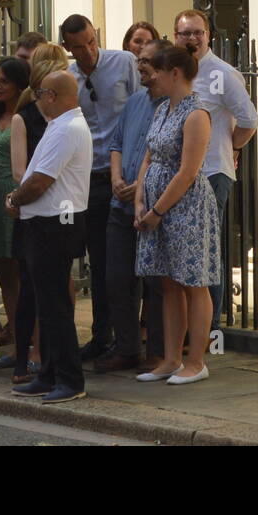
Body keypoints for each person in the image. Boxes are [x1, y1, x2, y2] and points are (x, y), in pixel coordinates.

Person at [6, 69, 92, 404]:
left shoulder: (66, 128)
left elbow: (41, 180)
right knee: (49, 303)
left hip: (55, 225)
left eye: (40, 93)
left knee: (55, 306)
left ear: (52, 96)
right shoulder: (62, 125)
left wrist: (14, 199)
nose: (37, 99)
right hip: (47, 222)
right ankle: (50, 374)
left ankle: (69, 379)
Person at [134, 45, 216, 386]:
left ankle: (195, 361)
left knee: (192, 281)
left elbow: (187, 171)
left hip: (186, 207)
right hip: (156, 206)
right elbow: (149, 156)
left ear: (175, 73)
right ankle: (170, 358)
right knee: (167, 282)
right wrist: (139, 198)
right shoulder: (162, 110)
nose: (153, 77)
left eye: (159, 71)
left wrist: (157, 209)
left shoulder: (196, 114)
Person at [60, 13, 139, 362]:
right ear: (68, 48)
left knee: (122, 266)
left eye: (92, 42)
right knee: (99, 263)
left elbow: (144, 110)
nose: (89, 51)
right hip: (89, 179)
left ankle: (128, 341)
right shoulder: (70, 79)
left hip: (124, 176)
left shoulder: (123, 63)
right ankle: (101, 336)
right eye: (79, 47)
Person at [174, 9, 258, 329]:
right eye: (185, 33)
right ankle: (186, 328)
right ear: (175, 36)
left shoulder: (222, 73)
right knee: (183, 253)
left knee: (207, 252)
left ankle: (211, 329)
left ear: (209, 36)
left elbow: (249, 120)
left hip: (210, 174)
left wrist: (232, 147)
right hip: (176, 176)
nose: (192, 38)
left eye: (198, 32)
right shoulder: (174, 72)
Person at [99, 38, 168, 373]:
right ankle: (127, 347)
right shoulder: (135, 102)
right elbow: (116, 143)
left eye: (147, 61)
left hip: (154, 208)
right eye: (139, 60)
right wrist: (115, 178)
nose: (140, 66)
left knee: (156, 284)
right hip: (120, 204)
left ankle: (158, 351)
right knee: (117, 279)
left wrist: (140, 186)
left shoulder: (176, 107)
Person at [6, 43, 68, 382]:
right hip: (33, 211)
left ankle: (54, 353)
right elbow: (20, 172)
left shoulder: (69, 118)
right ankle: (25, 355)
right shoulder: (24, 117)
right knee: (29, 287)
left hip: (63, 213)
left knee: (59, 286)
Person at [0, 58, 30, 349]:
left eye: (5, 80)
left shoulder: (26, 115)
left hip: (14, 194)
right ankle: (13, 330)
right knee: (1, 269)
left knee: (19, 268)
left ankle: (26, 334)